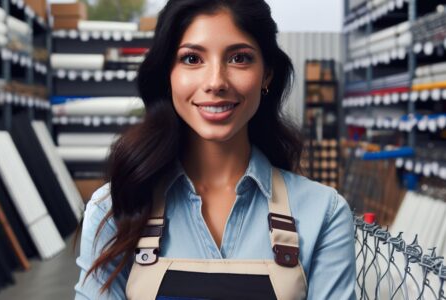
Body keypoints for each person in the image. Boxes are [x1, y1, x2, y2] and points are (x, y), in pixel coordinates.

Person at [75, 0, 356, 299]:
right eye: (192, 59)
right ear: (167, 73)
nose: (215, 82)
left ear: (267, 74)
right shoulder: (114, 210)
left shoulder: (323, 214)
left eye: (239, 58)